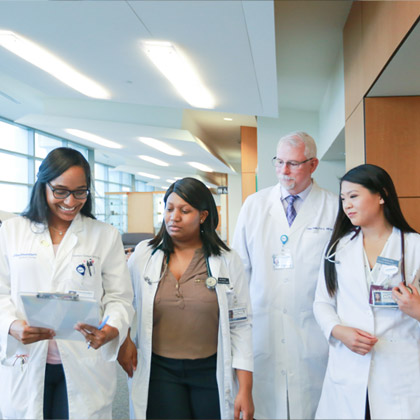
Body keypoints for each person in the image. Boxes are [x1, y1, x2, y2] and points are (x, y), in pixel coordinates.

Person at [0, 147, 134, 419]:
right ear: (42, 186)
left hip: (85, 360)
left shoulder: (104, 236)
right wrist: (11, 326)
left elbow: (119, 298)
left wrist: (111, 329)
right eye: (60, 191)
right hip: (25, 359)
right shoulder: (12, 231)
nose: (71, 201)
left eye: (80, 192)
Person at [118, 177, 254, 420]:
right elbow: (122, 302)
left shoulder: (226, 260)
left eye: (184, 210)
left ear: (203, 216)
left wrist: (245, 388)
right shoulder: (144, 255)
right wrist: (125, 340)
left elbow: (240, 324)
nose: (174, 217)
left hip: (210, 370)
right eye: (169, 209)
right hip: (161, 371)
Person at [232, 131, 338, 419]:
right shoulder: (254, 205)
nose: (283, 171)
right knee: (266, 407)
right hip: (263, 330)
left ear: (313, 164)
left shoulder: (334, 207)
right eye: (279, 162)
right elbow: (239, 270)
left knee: (314, 407)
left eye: (293, 164)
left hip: (314, 333)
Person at [313, 164, 420, 419]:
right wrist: (339, 331)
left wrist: (416, 309)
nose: (346, 205)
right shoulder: (338, 248)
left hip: (399, 373)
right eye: (343, 198)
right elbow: (322, 302)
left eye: (354, 196)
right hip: (348, 367)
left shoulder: (414, 246)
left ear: (381, 195)